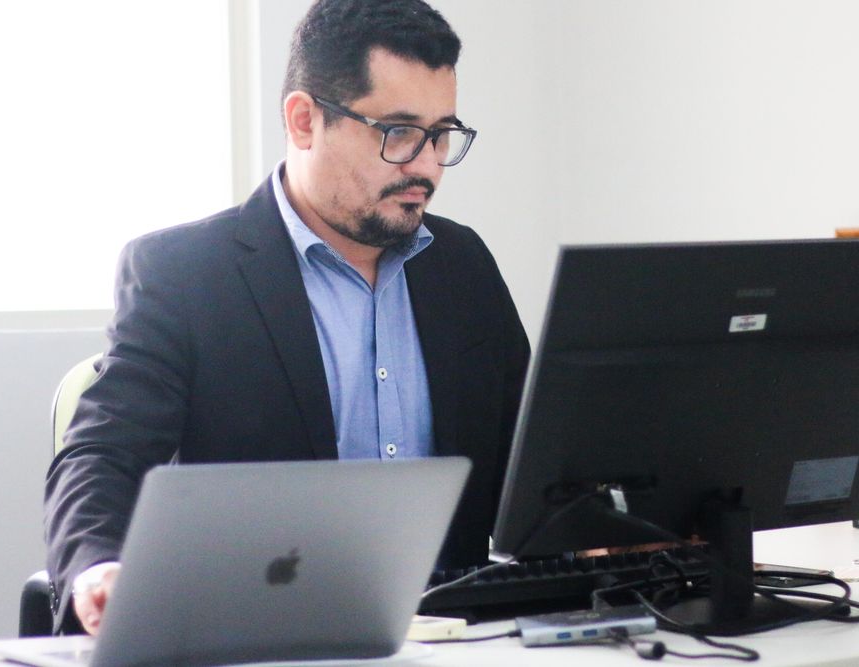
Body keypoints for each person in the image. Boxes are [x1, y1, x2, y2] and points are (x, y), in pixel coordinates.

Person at [45, 0, 529, 636]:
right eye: (398, 133)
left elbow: (535, 460)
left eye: (441, 134)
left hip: (459, 637)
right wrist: (98, 566)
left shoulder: (462, 264)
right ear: (304, 121)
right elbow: (102, 453)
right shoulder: (185, 274)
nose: (427, 165)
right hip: (261, 633)